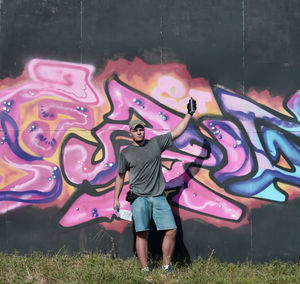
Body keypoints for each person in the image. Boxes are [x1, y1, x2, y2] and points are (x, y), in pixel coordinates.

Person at [113, 98, 197, 273]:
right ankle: (145, 269)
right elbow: (120, 177)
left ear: (144, 131)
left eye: (141, 129)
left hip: (158, 196)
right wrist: (116, 199)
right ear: (130, 133)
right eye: (135, 130)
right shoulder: (126, 153)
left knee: (172, 230)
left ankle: (166, 265)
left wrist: (189, 114)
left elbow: (176, 132)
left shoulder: (156, 144)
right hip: (139, 198)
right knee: (142, 233)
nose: (139, 132)